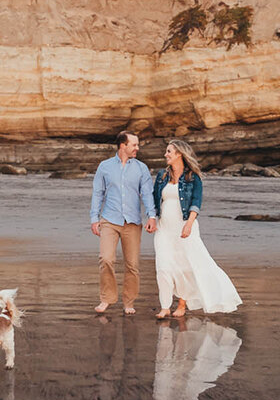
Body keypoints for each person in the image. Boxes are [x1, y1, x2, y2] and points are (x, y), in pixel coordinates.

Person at [151, 140, 242, 318]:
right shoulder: (162, 176)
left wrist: (189, 225)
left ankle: (182, 303)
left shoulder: (193, 177)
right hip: (163, 229)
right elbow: (155, 202)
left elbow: (196, 203)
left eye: (169, 151)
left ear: (179, 154)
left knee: (185, 266)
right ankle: (165, 306)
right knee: (163, 266)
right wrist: (152, 219)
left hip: (185, 227)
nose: (165, 155)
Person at [90, 132, 157, 315]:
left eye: (137, 145)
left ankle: (129, 302)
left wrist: (152, 216)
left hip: (133, 222)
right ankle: (107, 299)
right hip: (109, 220)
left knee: (132, 264)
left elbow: (147, 194)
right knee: (106, 259)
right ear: (122, 146)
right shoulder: (104, 167)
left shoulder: (142, 168)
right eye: (134, 145)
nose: (137, 148)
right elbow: (98, 193)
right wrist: (94, 219)